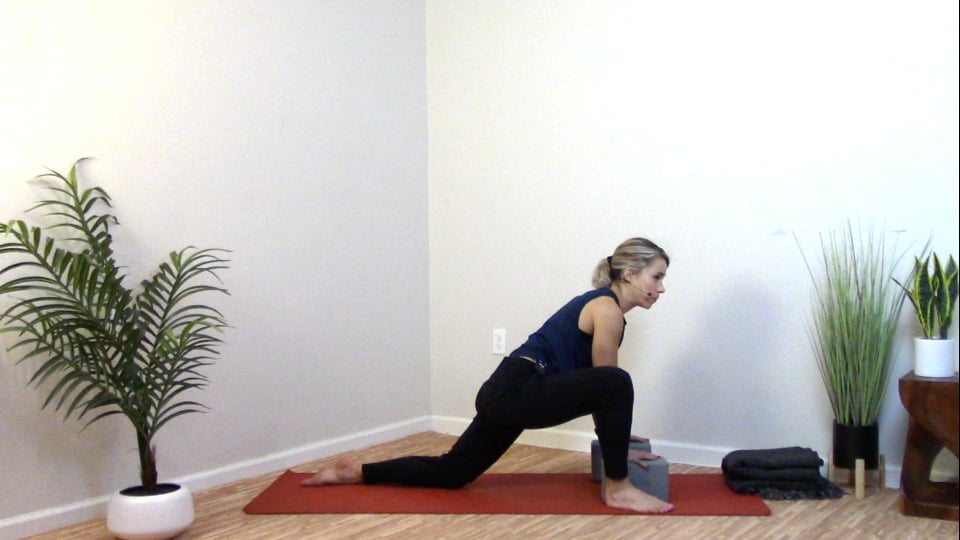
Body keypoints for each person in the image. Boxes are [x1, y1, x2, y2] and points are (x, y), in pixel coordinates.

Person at [303, 237, 674, 514]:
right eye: (656, 277)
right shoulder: (606, 310)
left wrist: (616, 444)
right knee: (617, 382)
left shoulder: (601, 305)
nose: (660, 288)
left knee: (454, 472)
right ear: (629, 273)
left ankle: (356, 472)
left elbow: (596, 390)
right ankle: (619, 488)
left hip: (508, 388)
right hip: (521, 388)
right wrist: (616, 452)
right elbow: (606, 383)